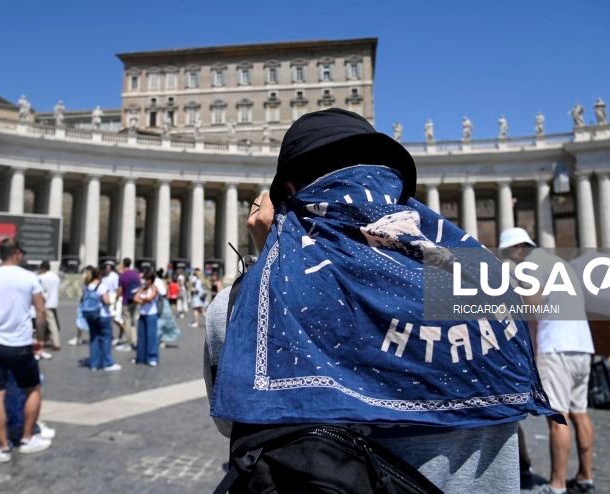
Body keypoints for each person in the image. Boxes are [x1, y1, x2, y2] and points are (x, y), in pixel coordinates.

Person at [206, 108, 555, 493]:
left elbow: (240, 414)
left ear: (289, 193)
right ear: (394, 186)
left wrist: (269, 262)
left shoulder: (239, 306)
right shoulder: (480, 283)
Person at [499, 227, 596, 494]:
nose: (510, 259)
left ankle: (557, 485)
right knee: (580, 414)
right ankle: (586, 477)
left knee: (557, 419)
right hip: (582, 346)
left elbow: (534, 311)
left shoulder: (530, 267)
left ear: (519, 248)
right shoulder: (559, 263)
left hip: (556, 348)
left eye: (509, 253)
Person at [0, 238, 51, 462]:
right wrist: (40, 339)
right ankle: (27, 439)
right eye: (22, 253)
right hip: (20, 344)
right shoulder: (29, 278)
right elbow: (41, 311)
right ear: (16, 253)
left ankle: (3, 447)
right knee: (33, 389)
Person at [80, 266, 121, 372]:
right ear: (99, 275)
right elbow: (106, 301)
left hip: (90, 314)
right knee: (106, 338)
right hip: (102, 315)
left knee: (94, 338)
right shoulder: (101, 286)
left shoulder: (87, 286)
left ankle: (94, 362)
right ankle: (107, 362)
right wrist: (111, 301)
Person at [133, 271, 159, 366]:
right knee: (141, 336)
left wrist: (142, 299)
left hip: (151, 315)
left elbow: (150, 298)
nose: (145, 281)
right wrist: (143, 300)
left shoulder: (154, 288)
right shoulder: (142, 288)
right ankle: (141, 357)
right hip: (142, 314)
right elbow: (135, 298)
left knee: (151, 336)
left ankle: (152, 357)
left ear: (151, 280)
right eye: (145, 279)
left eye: (147, 279)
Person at [117, 258, 141, 353]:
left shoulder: (122, 276)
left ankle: (127, 342)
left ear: (123, 264)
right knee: (132, 321)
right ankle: (134, 341)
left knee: (127, 321)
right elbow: (139, 287)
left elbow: (120, 290)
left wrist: (116, 298)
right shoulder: (136, 274)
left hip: (126, 300)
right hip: (135, 300)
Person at [37, 261, 61, 351]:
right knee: (52, 322)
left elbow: (41, 290)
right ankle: (47, 339)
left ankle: (55, 343)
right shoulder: (55, 276)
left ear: (42, 268)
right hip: (54, 302)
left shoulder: (42, 277)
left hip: (45, 303)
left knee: (49, 323)